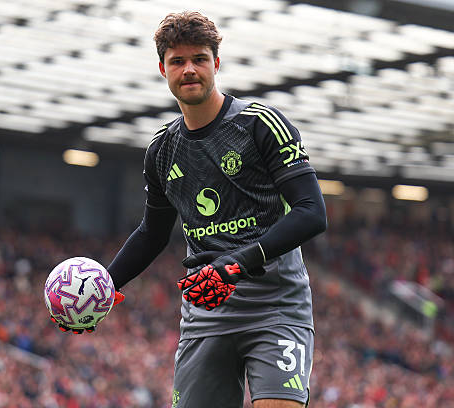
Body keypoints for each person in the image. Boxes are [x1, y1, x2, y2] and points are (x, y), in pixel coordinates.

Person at [69, 11, 326, 408]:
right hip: (206, 314)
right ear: (163, 69)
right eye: (177, 61)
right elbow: (152, 233)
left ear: (216, 63)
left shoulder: (261, 124)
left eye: (199, 59)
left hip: (275, 309)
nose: (189, 69)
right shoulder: (162, 149)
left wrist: (236, 263)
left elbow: (312, 211)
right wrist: (104, 287)